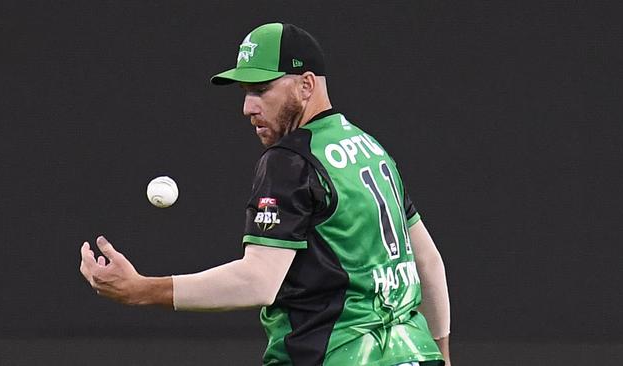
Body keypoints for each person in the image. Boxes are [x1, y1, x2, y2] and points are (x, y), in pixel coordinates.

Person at [80, 22, 451, 366]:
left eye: (261, 90)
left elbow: (258, 280)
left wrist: (142, 290)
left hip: (337, 355)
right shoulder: (370, 148)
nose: (247, 108)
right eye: (244, 93)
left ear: (306, 85)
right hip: (414, 352)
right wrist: (442, 351)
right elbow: (429, 261)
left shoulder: (290, 160)